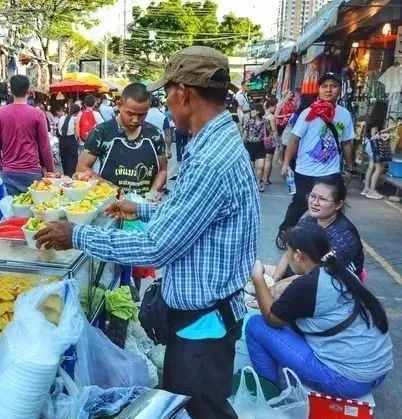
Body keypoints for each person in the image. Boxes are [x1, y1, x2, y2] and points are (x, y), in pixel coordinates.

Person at [35, 46, 260, 419]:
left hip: (204, 323)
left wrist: (76, 236)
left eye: (166, 93)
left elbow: (157, 247)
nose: (165, 103)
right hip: (208, 314)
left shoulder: (210, 159)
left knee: (200, 410)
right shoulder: (216, 141)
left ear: (184, 92)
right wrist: (140, 207)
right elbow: (192, 215)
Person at [247, 225, 393, 399]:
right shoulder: (340, 271)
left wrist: (257, 277)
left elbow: (272, 319)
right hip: (377, 372)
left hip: (347, 381)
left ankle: (268, 396)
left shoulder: (307, 286)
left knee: (256, 325)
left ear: (298, 255)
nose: (286, 256)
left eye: (287, 251)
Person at [276, 72, 355, 250]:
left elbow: (347, 144)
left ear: (339, 90)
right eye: (324, 86)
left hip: (331, 172)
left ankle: (326, 239)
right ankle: (284, 232)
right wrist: (286, 163)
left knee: (330, 207)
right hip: (305, 171)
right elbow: (294, 139)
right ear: (319, 90)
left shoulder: (344, 115)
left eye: (333, 86)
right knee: (300, 204)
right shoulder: (308, 113)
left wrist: (350, 169)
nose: (328, 90)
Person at [268, 177, 365, 297]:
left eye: (323, 199)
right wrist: (275, 279)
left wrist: (277, 286)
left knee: (278, 292)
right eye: (313, 196)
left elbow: (317, 274)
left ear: (338, 204)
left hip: (331, 284)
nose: (314, 202)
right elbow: (289, 251)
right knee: (258, 272)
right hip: (301, 270)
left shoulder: (344, 237)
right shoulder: (308, 221)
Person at [75, 83, 168, 196]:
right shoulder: (102, 132)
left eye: (142, 114)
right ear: (120, 105)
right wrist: (112, 189)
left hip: (143, 206)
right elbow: (81, 167)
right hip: (110, 204)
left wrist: (152, 194)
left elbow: (163, 170)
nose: (135, 120)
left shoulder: (155, 134)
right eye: (130, 113)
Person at [0, 75, 54, 196]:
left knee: (12, 210)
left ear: (10, 91)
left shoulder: (0, 113)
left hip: (9, 171)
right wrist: (50, 169)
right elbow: (44, 145)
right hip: (32, 171)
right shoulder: (38, 114)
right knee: (34, 209)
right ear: (29, 91)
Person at [242, 103, 269, 192]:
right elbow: (245, 133)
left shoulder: (266, 121)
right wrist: (242, 144)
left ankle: (257, 184)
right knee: (251, 167)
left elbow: (270, 133)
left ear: (258, 111)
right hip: (250, 145)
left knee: (260, 166)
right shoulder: (249, 121)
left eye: (253, 110)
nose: (251, 112)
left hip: (261, 145)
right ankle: (250, 183)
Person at [362, 125, 393, 200]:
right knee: (379, 168)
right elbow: (374, 136)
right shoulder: (375, 123)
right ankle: (372, 191)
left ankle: (366, 188)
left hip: (369, 145)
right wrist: (388, 130)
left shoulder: (371, 121)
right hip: (374, 146)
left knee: (371, 167)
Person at [57, 104, 81, 177]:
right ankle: (71, 177)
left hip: (62, 140)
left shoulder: (61, 118)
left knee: (64, 160)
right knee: (72, 161)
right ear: (77, 112)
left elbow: (58, 130)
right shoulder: (75, 119)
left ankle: (66, 175)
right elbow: (77, 134)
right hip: (71, 140)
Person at [261, 98, 279, 187]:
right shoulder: (271, 117)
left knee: (263, 160)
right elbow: (274, 130)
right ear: (271, 106)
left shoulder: (263, 116)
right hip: (269, 140)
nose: (275, 108)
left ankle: (261, 177)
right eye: (275, 106)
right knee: (268, 160)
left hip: (261, 140)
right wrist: (277, 142)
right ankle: (266, 179)